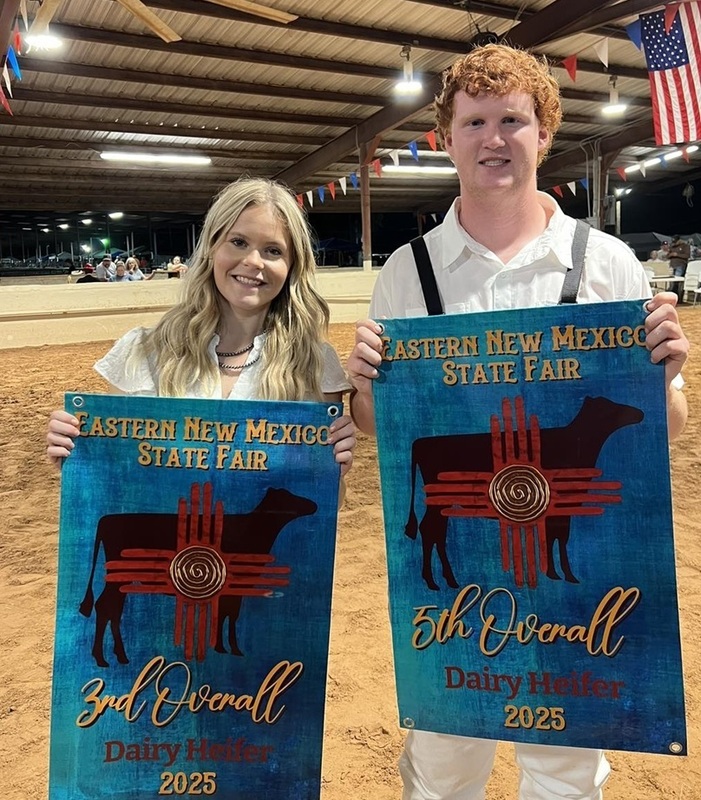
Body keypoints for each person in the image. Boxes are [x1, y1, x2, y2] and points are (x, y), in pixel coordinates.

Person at [347, 43, 688, 800]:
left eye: (512, 119)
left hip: (574, 578)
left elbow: (662, 429)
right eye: (474, 121)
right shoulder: (408, 270)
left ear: (543, 131)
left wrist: (663, 377)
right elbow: (378, 427)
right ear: (447, 136)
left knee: (565, 773)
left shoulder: (605, 262)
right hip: (455, 579)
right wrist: (363, 383)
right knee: (441, 769)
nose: (492, 138)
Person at [47, 177, 355, 485]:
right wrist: (81, 461)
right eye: (238, 242)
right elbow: (116, 480)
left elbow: (325, 504)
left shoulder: (315, 363)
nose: (252, 261)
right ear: (211, 248)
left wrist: (333, 474)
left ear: (291, 266)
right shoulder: (143, 351)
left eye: (273, 250)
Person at [668, 234, 691, 302]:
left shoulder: (685, 246)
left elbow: (687, 255)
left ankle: (679, 298)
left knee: (678, 281)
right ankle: (673, 298)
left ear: (679, 240)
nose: (674, 243)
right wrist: (670, 254)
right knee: (672, 283)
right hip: (672, 265)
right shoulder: (672, 247)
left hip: (680, 265)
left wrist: (677, 255)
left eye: (675, 241)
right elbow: (667, 256)